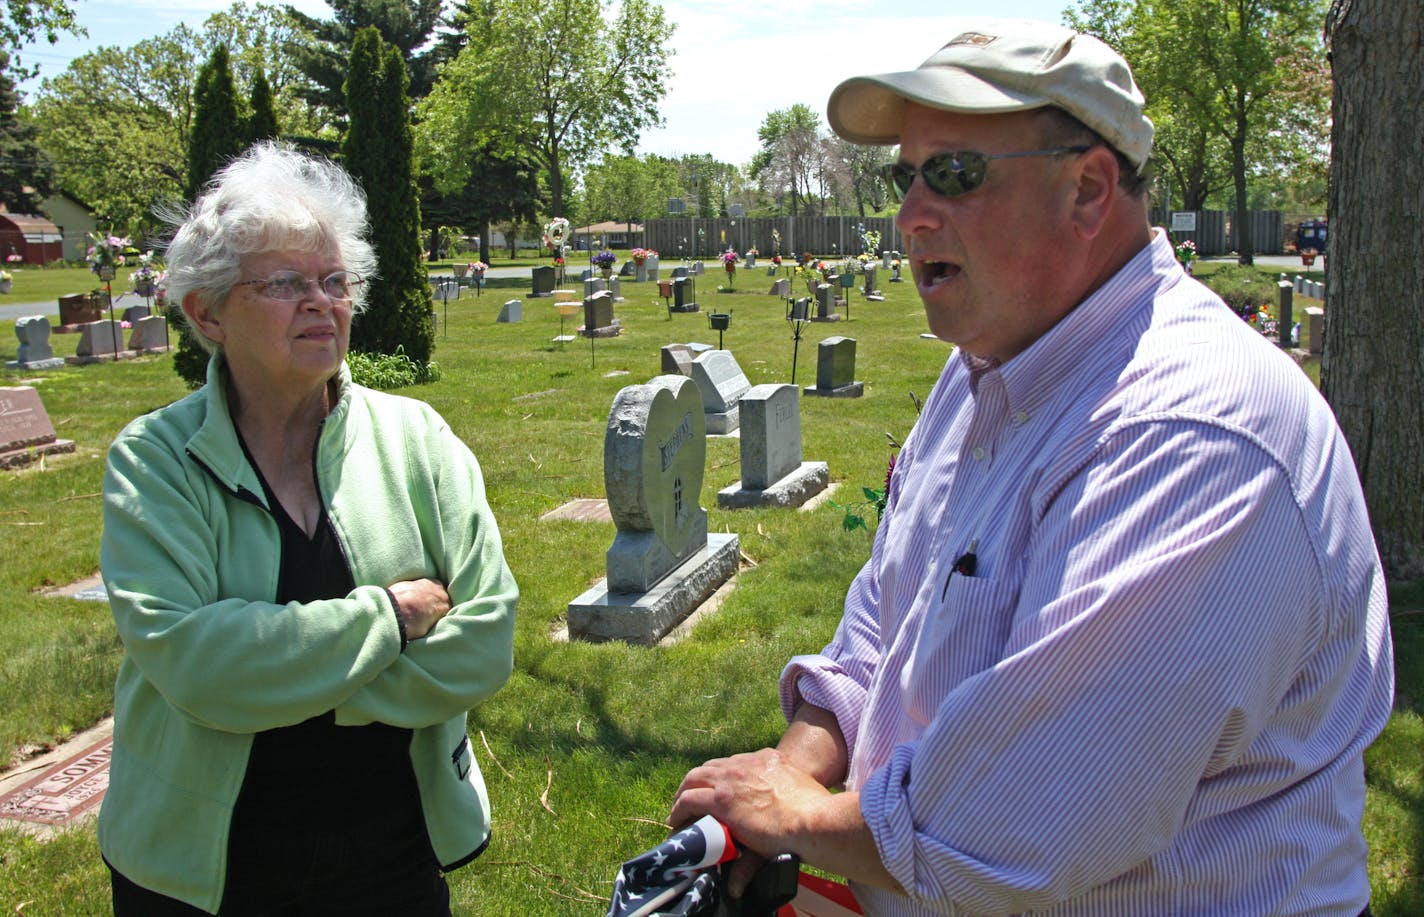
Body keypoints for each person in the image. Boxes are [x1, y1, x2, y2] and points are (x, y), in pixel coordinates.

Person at [670, 18, 1394, 916]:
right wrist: (787, 775)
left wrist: (797, 819)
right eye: (907, 175)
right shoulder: (984, 367)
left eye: (956, 173)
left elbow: (1013, 828)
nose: (908, 216)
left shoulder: (1194, 436)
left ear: (1089, 189)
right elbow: (880, 631)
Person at [99, 143, 518, 915]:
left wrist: (285, 679)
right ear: (207, 312)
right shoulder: (155, 463)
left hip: (389, 856)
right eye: (286, 283)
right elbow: (194, 665)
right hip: (200, 875)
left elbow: (486, 641)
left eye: (334, 281)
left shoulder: (418, 439)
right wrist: (387, 618)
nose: (321, 301)